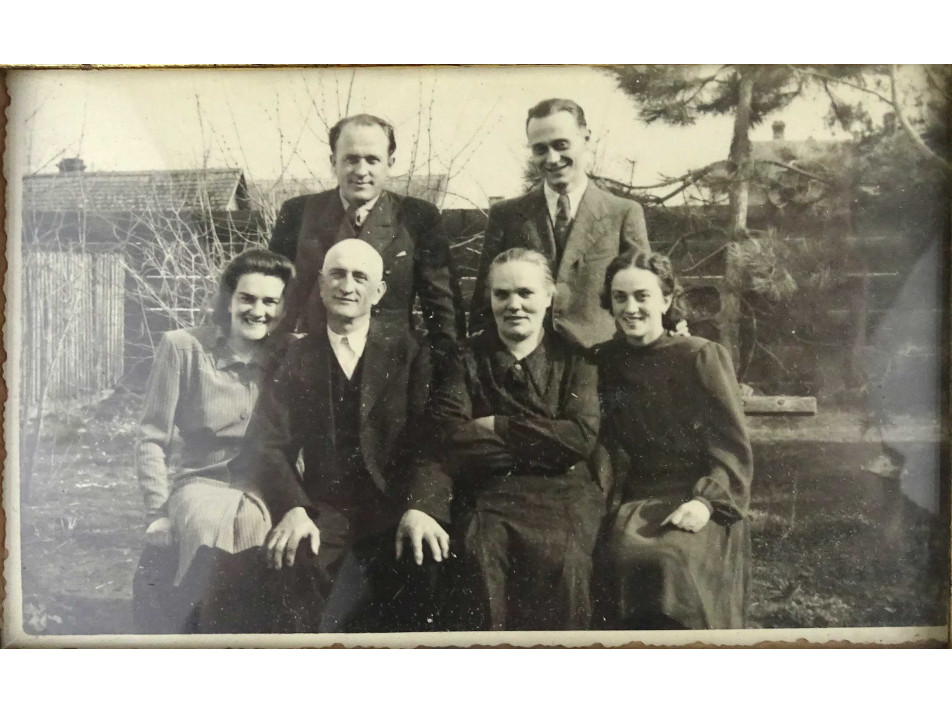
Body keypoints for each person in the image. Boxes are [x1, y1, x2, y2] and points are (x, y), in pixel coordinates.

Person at [234, 239, 446, 633]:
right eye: (337, 274)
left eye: (360, 277)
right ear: (320, 284)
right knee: (292, 561)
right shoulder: (297, 356)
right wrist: (293, 509)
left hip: (395, 506)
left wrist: (421, 506)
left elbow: (432, 441)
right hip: (324, 509)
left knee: (426, 566)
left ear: (379, 291)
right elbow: (267, 445)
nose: (347, 286)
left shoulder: (412, 352)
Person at [415, 247, 605, 630]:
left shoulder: (576, 359)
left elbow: (579, 438)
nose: (514, 305)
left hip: (564, 497)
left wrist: (498, 426)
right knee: (479, 555)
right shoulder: (465, 358)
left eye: (525, 293)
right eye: (502, 294)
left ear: (549, 296)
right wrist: (544, 443)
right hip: (489, 494)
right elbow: (449, 434)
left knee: (568, 563)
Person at [132, 248, 295, 633]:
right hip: (200, 483)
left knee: (269, 544)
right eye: (247, 298)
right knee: (208, 536)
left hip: (265, 487)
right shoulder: (183, 348)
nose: (258, 311)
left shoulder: (291, 354)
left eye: (270, 301)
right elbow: (151, 438)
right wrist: (157, 511)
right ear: (229, 300)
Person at [592, 249, 753, 630]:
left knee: (666, 563)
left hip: (697, 497)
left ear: (666, 301)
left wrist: (706, 502)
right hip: (634, 500)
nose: (630, 308)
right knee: (610, 562)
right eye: (620, 297)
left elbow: (731, 447)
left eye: (642, 296)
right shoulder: (603, 360)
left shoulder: (699, 355)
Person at [269, 113, 466, 350]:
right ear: (333, 162)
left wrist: (447, 363)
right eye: (351, 159)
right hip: (316, 359)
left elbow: (442, 306)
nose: (361, 171)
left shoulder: (417, 216)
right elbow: (273, 294)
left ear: (390, 163)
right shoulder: (299, 213)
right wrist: (279, 350)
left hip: (392, 359)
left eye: (372, 160)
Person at [470, 99, 650, 348]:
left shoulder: (623, 213)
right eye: (540, 149)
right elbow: (484, 299)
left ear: (586, 139)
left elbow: (645, 291)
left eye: (561, 145)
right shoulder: (506, 215)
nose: (552, 159)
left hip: (600, 358)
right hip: (528, 358)